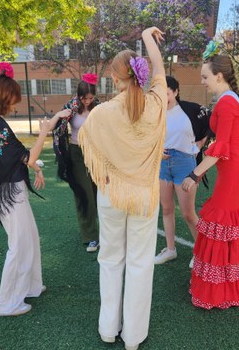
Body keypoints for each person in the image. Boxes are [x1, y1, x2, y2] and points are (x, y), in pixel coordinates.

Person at [78, 27, 167, 350]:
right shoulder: (156, 104)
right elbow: (160, 70)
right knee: (140, 263)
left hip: (111, 193)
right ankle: (133, 337)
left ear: (115, 79)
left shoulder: (101, 114)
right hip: (144, 196)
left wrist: (106, 177)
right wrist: (146, 37)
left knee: (110, 259)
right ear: (140, 76)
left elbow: (85, 143)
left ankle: (107, 329)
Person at [0, 62, 69, 317]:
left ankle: (29, 286)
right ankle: (6, 303)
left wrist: (37, 168)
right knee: (19, 244)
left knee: (28, 237)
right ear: (4, 97)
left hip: (6, 188)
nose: (15, 105)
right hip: (7, 192)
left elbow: (15, 158)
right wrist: (45, 132)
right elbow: (27, 157)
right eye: (13, 100)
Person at [181, 41, 239, 309]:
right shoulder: (229, 100)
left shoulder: (227, 104)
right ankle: (226, 283)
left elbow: (222, 149)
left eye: (205, 77)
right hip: (234, 172)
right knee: (221, 229)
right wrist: (200, 146)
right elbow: (221, 142)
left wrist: (194, 175)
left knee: (218, 224)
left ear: (219, 76)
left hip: (233, 174)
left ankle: (227, 289)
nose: (203, 82)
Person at [155, 76, 212, 267]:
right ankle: (170, 249)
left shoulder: (190, 110)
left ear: (176, 92)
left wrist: (199, 146)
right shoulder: (156, 112)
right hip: (163, 165)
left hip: (184, 164)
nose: (164, 97)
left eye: (167, 93)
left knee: (188, 213)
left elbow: (210, 123)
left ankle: (201, 252)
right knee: (167, 209)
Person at [53, 74, 100, 252]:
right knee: (83, 193)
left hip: (96, 153)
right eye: (84, 98)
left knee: (98, 192)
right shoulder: (71, 107)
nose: (87, 101)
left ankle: (97, 228)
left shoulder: (99, 108)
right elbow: (57, 127)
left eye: (90, 97)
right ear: (78, 96)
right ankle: (91, 236)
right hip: (76, 152)